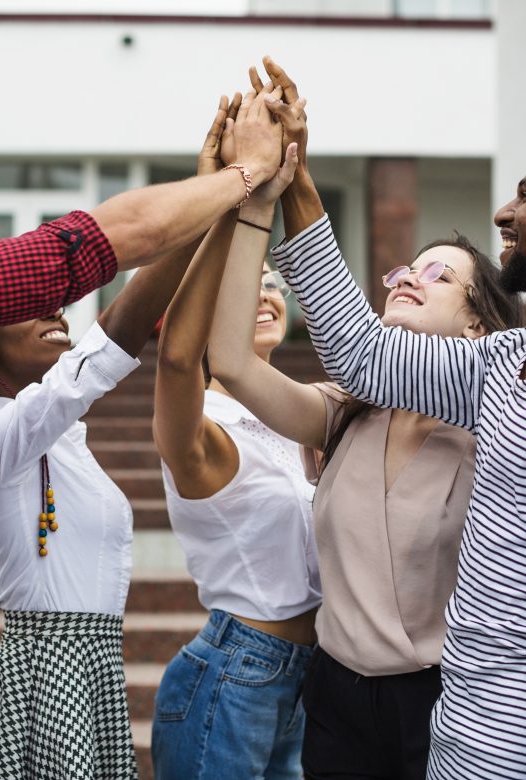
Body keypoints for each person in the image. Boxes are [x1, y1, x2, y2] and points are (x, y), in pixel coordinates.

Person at [0, 85, 282, 780]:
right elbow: (107, 315)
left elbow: (107, 347)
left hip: (78, 668)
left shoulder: (52, 434)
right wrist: (236, 180)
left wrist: (216, 204)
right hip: (43, 677)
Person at [207, 59, 523, 780]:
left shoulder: (493, 428)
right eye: (404, 268)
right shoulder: (351, 410)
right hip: (337, 699)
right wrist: (263, 198)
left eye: (440, 274)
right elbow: (235, 359)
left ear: (481, 328)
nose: (410, 274)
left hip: (445, 703)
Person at [151, 84, 322, 780]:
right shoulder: (205, 425)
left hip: (301, 680)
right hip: (234, 676)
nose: (264, 295)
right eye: (244, 288)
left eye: (275, 286)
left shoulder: (296, 419)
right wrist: (231, 197)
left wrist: (287, 172)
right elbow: (172, 358)